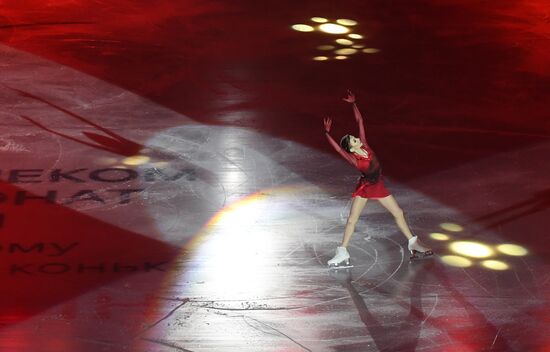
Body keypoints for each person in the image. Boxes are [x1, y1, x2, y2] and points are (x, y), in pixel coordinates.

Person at [324, 90, 432, 267]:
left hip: (378, 185)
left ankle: (413, 244)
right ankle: (342, 251)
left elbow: (360, 121)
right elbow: (338, 150)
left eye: (354, 137)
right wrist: (327, 134)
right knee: (352, 219)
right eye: (353, 140)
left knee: (398, 212)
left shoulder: (365, 144)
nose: (356, 138)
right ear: (351, 148)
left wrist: (353, 104)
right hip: (366, 188)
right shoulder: (354, 159)